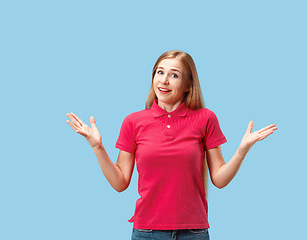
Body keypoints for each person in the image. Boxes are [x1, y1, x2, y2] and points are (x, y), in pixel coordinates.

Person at [66, 50, 278, 240]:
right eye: (159, 72)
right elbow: (120, 182)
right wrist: (97, 147)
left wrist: (242, 151)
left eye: (174, 75)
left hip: (194, 232)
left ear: (188, 85)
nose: (164, 81)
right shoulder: (133, 122)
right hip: (147, 232)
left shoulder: (205, 118)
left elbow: (220, 179)